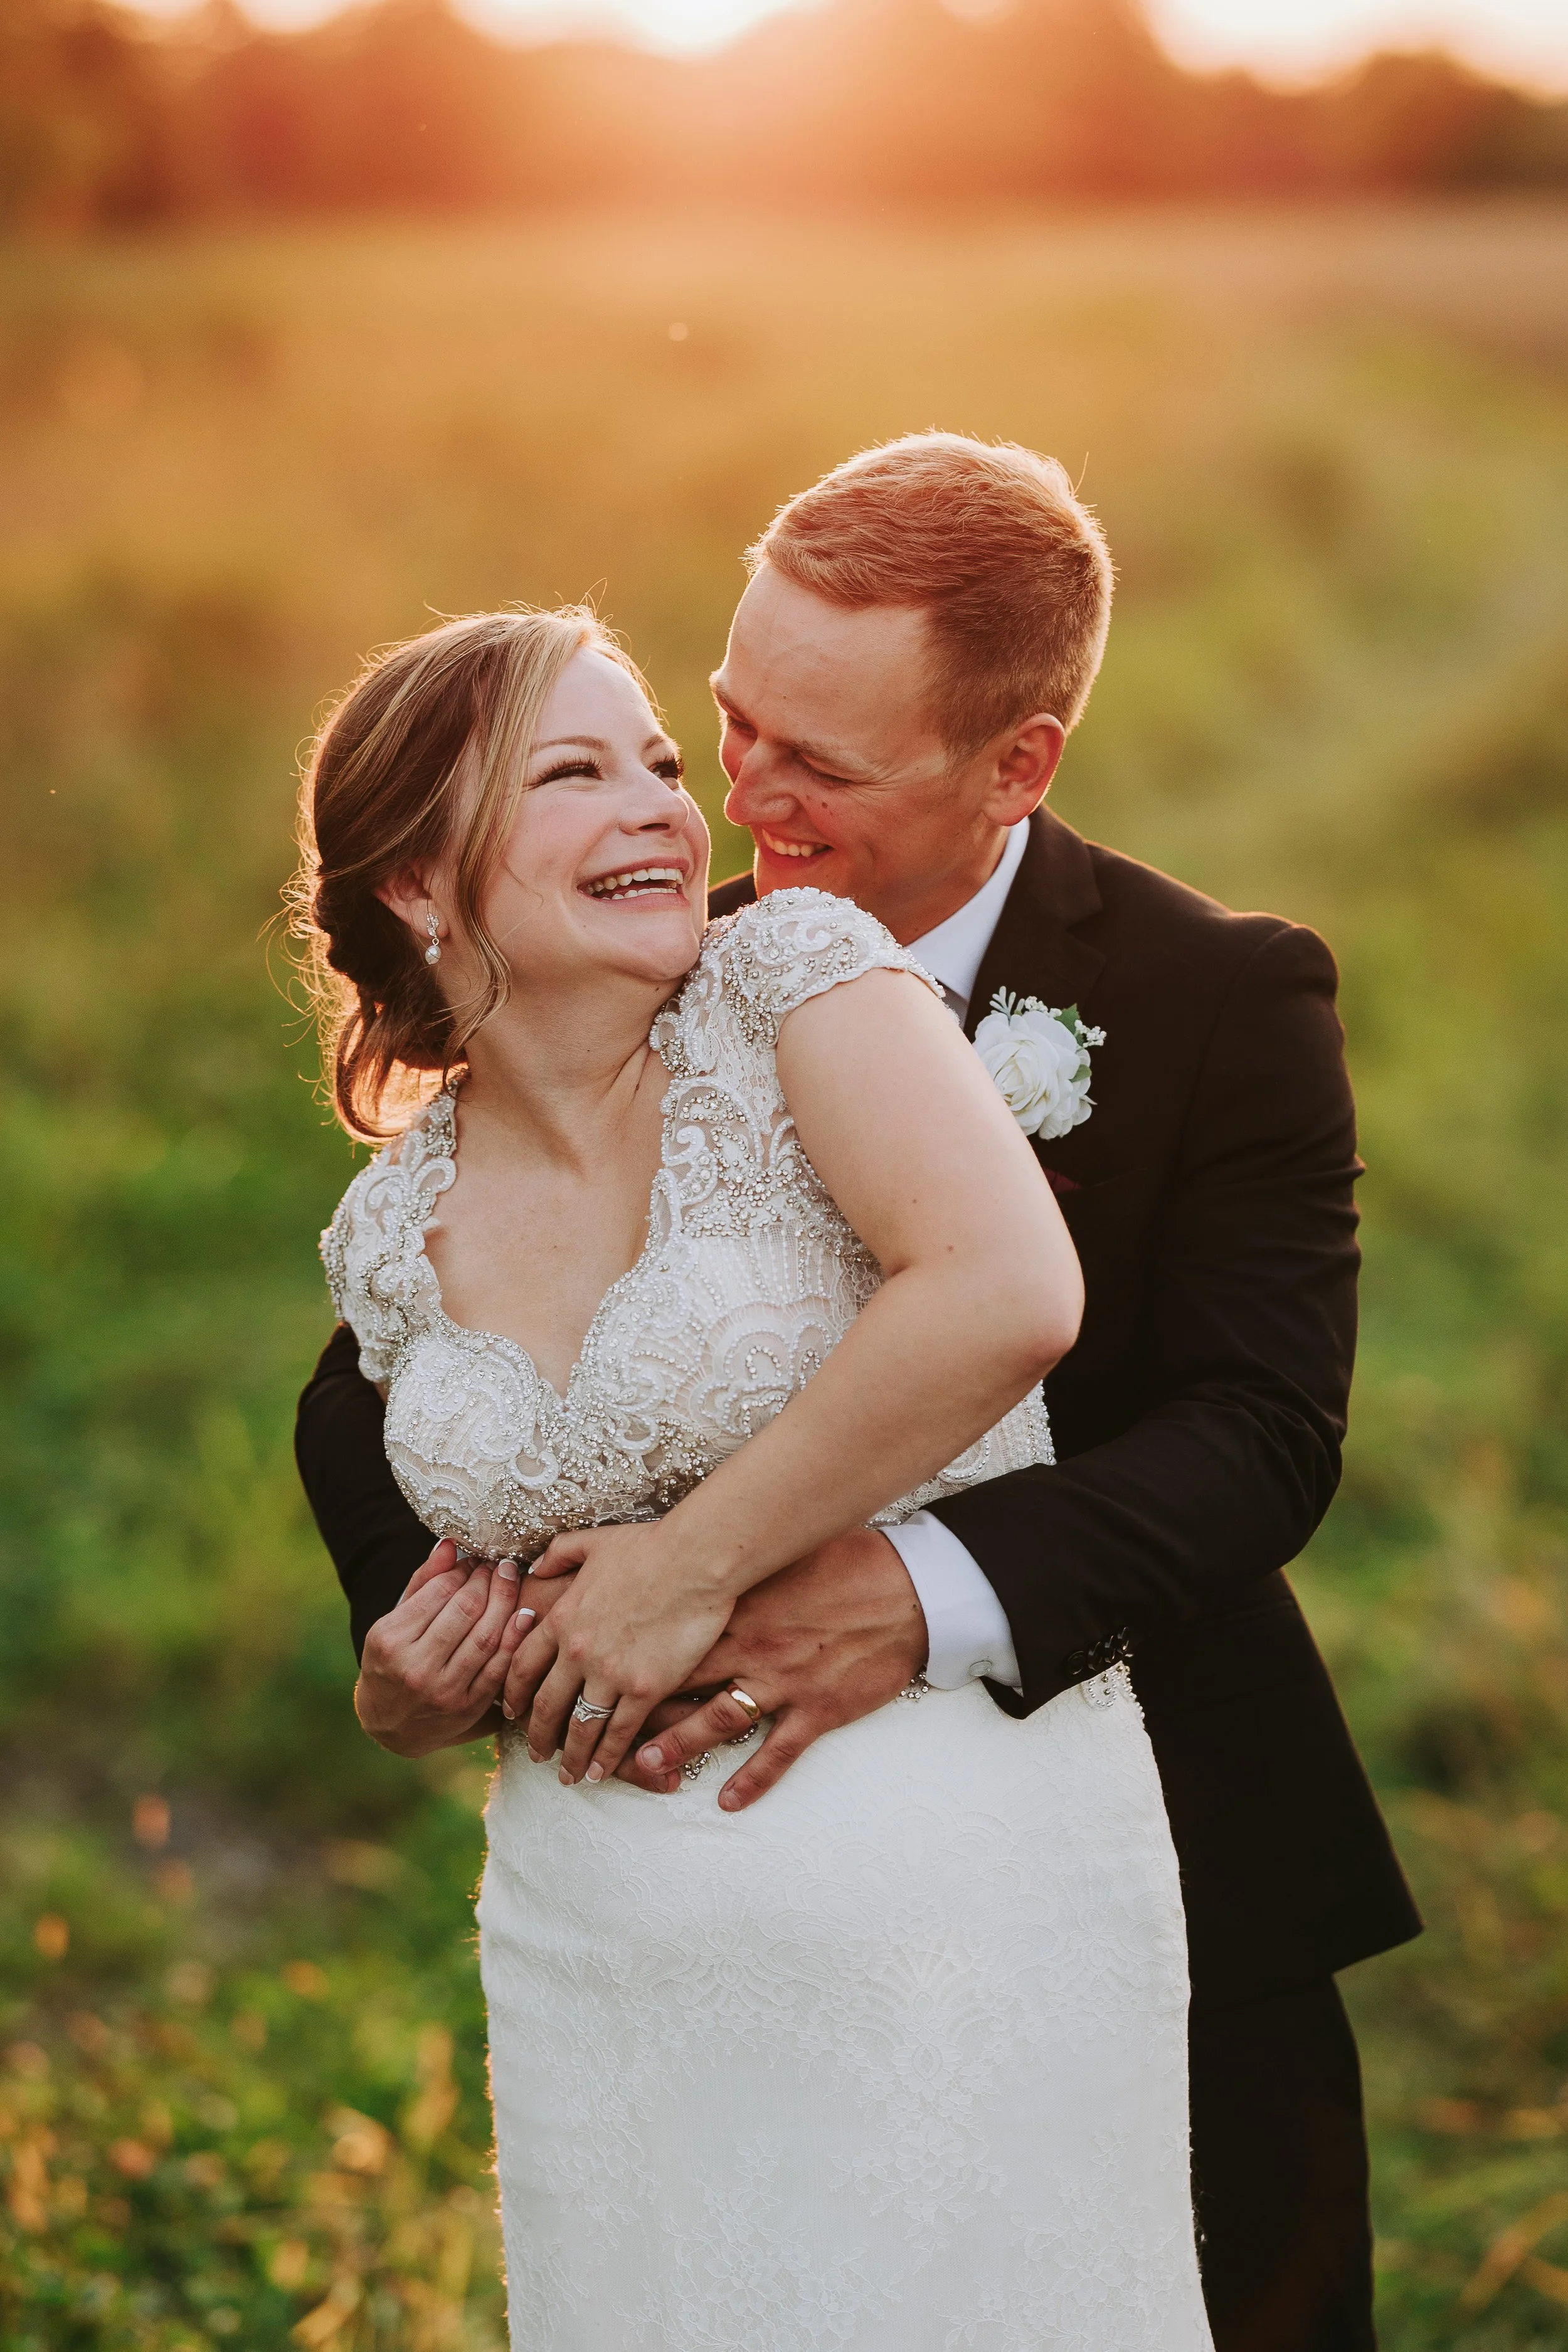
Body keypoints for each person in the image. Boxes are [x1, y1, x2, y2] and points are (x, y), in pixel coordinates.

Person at [295, 434, 1421, 2351]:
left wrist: (910, 1589)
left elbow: (1258, 1432)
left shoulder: (1214, 999)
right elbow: (388, 1373)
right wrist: (428, 1616)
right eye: (727, 727)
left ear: (1016, 764)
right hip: (690, 1932)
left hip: (1137, 1832)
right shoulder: (660, 960)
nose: (737, 796)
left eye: (811, 764)